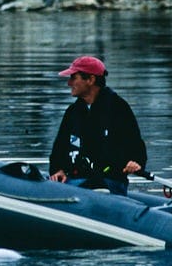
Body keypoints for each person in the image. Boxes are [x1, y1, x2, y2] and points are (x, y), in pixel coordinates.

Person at [48, 56, 146, 195]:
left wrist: (135, 162)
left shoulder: (118, 108)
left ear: (91, 80)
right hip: (76, 180)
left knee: (98, 186)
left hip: (109, 183)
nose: (69, 83)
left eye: (74, 78)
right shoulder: (72, 112)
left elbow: (136, 146)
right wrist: (58, 169)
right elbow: (59, 148)